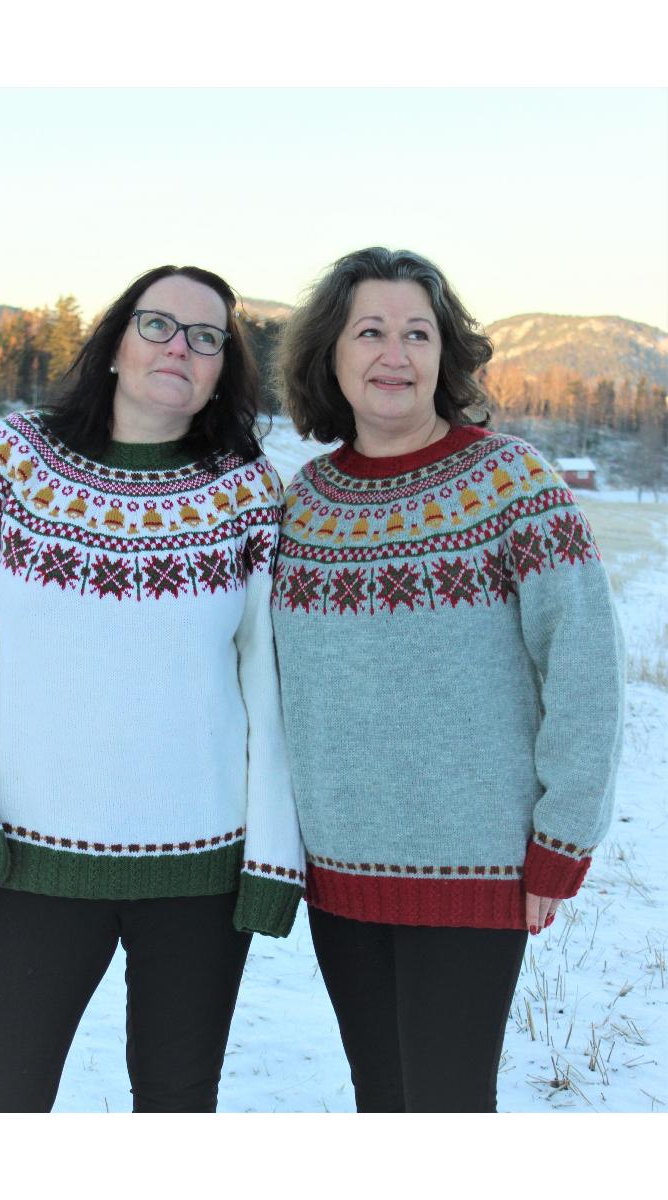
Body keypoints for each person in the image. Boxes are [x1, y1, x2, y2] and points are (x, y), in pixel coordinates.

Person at [0, 264, 304, 1113]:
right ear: (116, 343)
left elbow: (269, 682)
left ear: (222, 371)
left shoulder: (245, 487)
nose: (180, 347)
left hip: (201, 872)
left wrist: (273, 856)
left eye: (207, 338)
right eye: (158, 324)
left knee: (177, 1103)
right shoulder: (16, 457)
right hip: (30, 861)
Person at [270, 247, 624, 1113]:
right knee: (381, 1100)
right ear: (331, 354)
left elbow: (585, 666)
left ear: (445, 354)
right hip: (339, 873)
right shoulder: (304, 504)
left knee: (447, 1106)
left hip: (476, 870)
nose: (395, 355)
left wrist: (563, 838)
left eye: (418, 334)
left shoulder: (512, 482)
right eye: (370, 332)